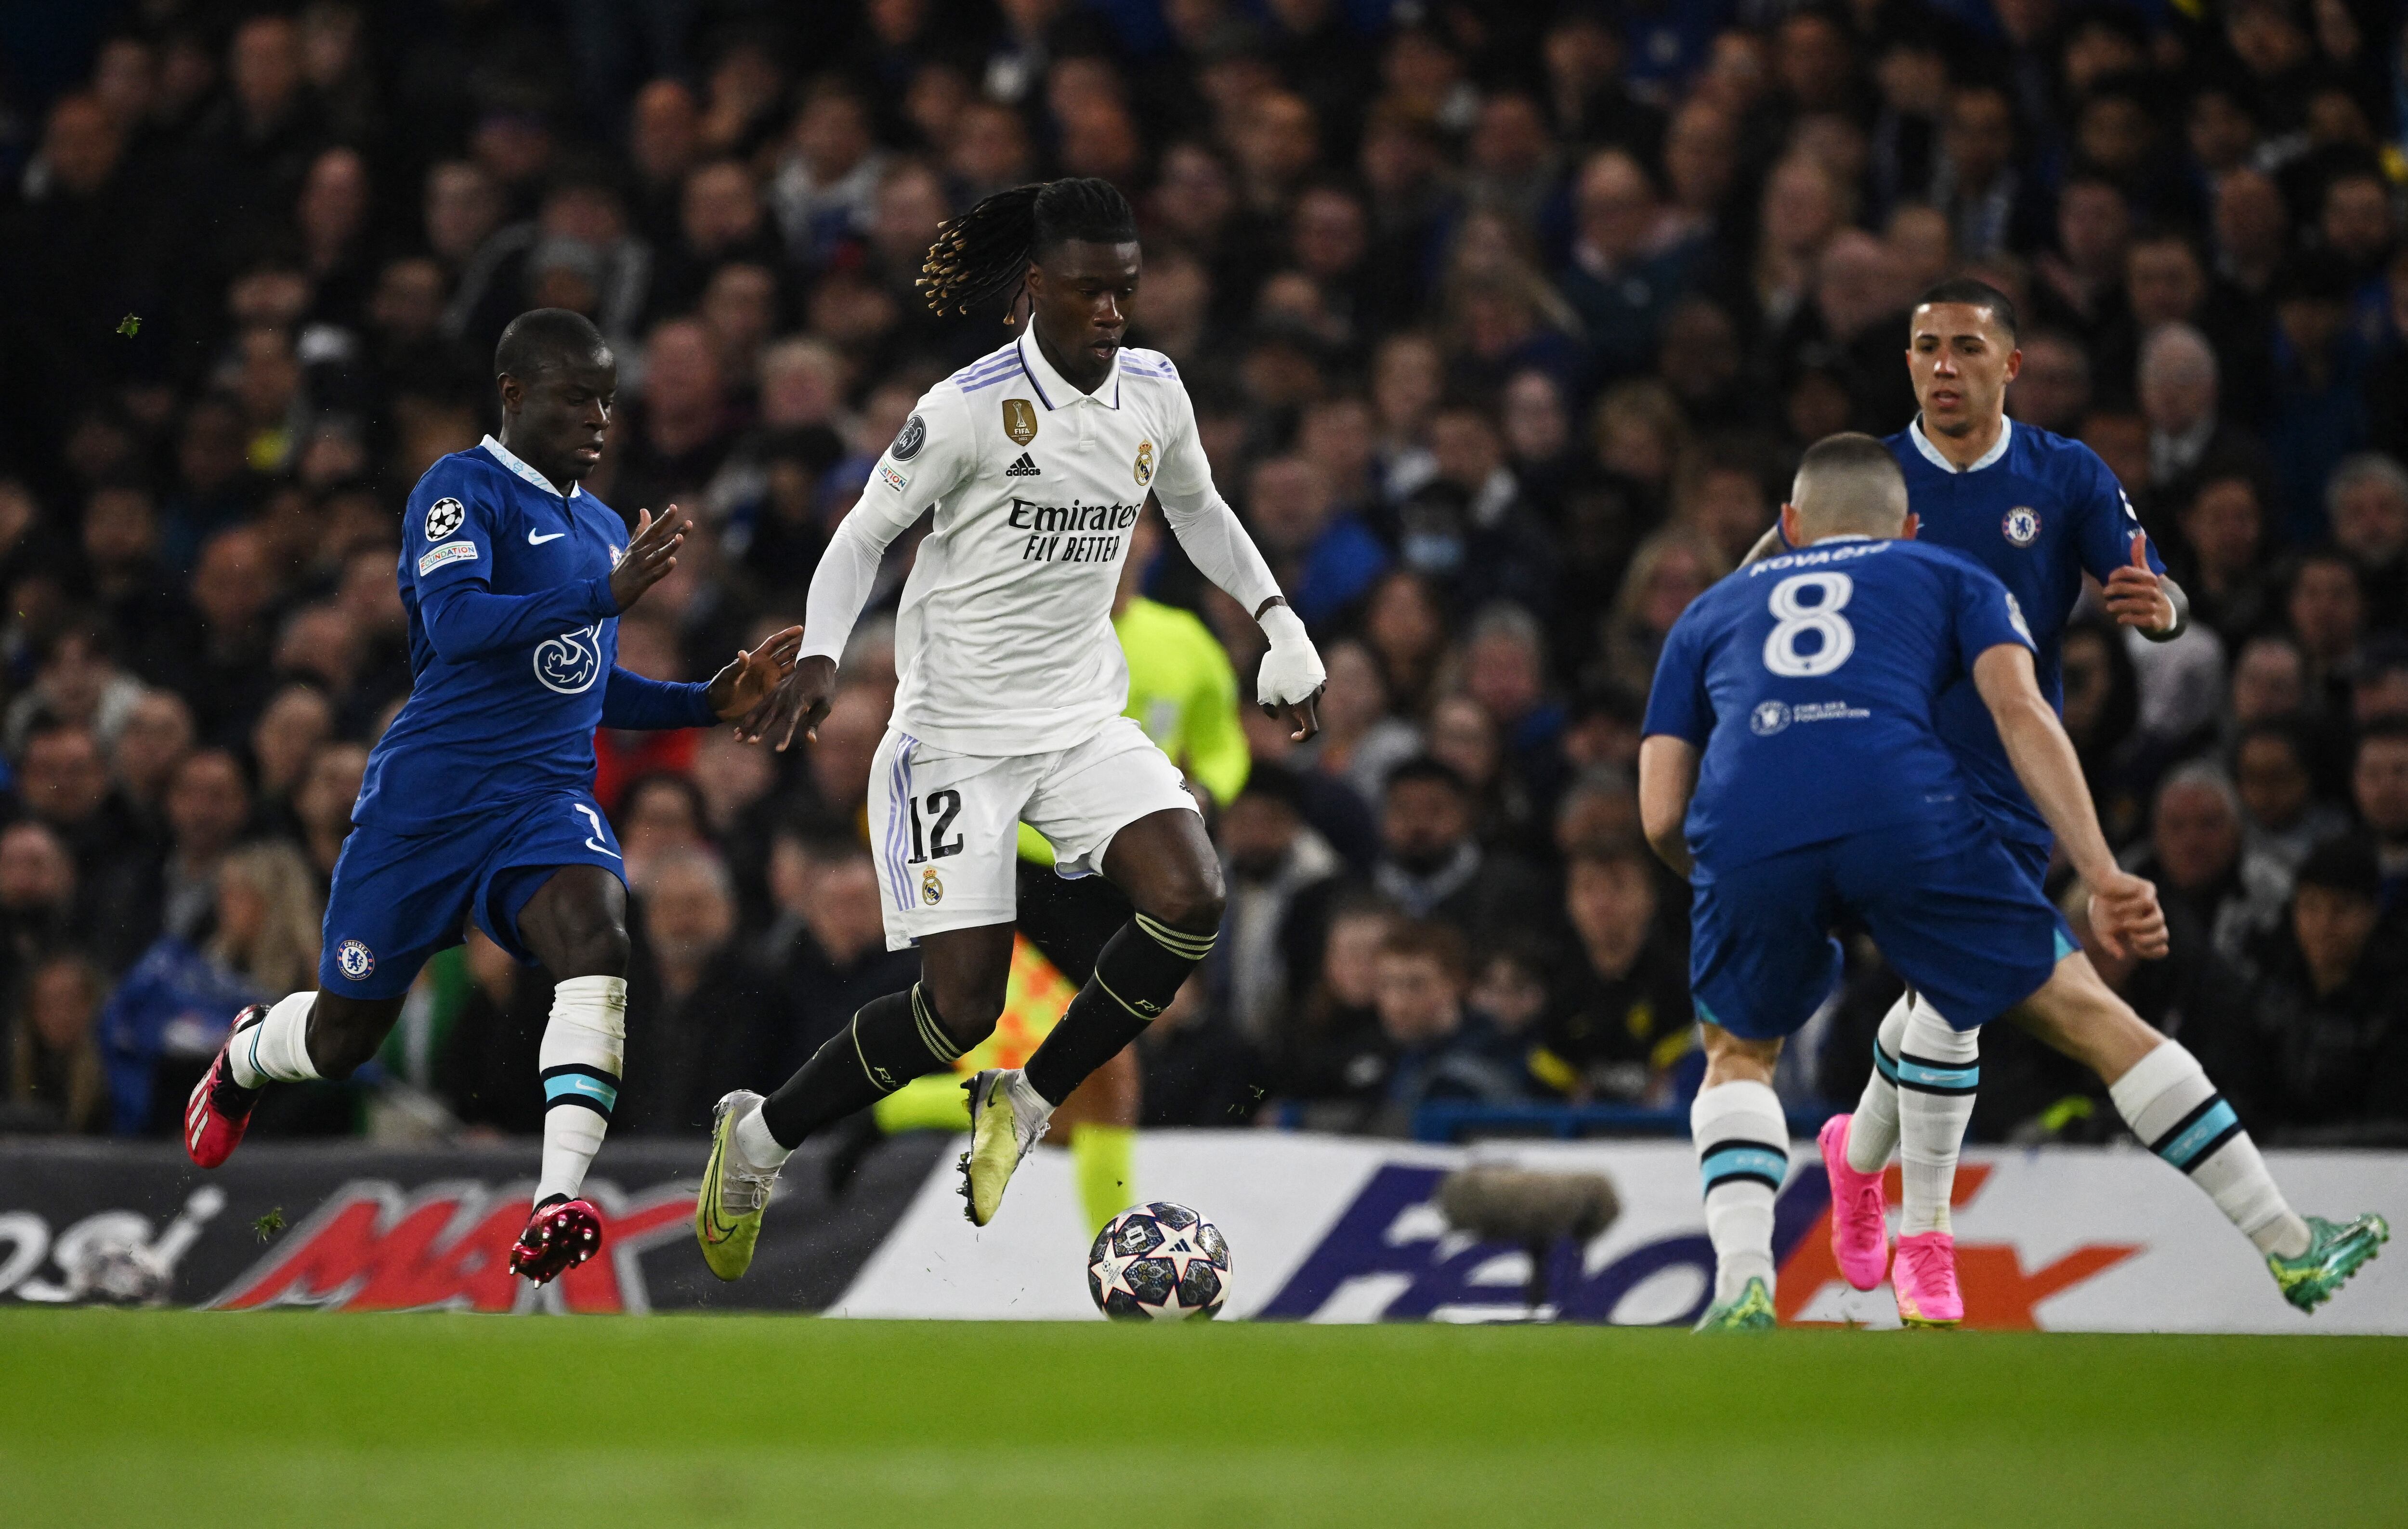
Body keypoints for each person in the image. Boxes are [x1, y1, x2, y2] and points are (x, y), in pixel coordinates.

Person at [692, 179, 1326, 1277]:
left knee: (1192, 897)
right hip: (954, 738)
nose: (1111, 312)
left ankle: (1027, 1101)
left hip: (1079, 720)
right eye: (1088, 290)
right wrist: (826, 653)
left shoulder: (1154, 391)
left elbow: (1198, 509)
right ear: (1035, 286)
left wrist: (1278, 620)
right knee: (958, 1011)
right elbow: (863, 535)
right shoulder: (966, 409)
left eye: (1125, 290)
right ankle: (757, 1139)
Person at [1644, 433, 2384, 1332]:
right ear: (1909, 528)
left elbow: (1660, 814)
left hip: (1749, 825)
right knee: (2094, 1018)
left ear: (1789, 527)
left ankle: (1743, 1284)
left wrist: (1728, 875)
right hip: (1907, 814)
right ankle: (2288, 1242)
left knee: (1738, 1053)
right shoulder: (1948, 572)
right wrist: (2103, 872)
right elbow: (2021, 711)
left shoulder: (1708, 612)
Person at [180, 309, 801, 1289]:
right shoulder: (458, 489)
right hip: (429, 803)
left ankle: (557, 1198)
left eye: (608, 400)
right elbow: (463, 624)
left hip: (542, 800)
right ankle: (249, 1056)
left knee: (599, 932)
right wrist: (603, 595)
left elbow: (581, 680)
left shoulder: (604, 526)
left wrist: (704, 700)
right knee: (343, 1039)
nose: (598, 418)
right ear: (514, 394)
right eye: (576, 397)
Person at [1752, 278, 2206, 1269]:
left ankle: (1854, 1160)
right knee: (1958, 986)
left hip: (2016, 774)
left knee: (1946, 993)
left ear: (2012, 364)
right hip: (1889, 774)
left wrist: (2162, 607)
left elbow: (2158, 584)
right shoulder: (1868, 480)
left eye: (1965, 347)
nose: (1943, 367)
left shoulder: (2065, 474)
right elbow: (1760, 582)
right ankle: (1926, 1237)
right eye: (1926, 348)